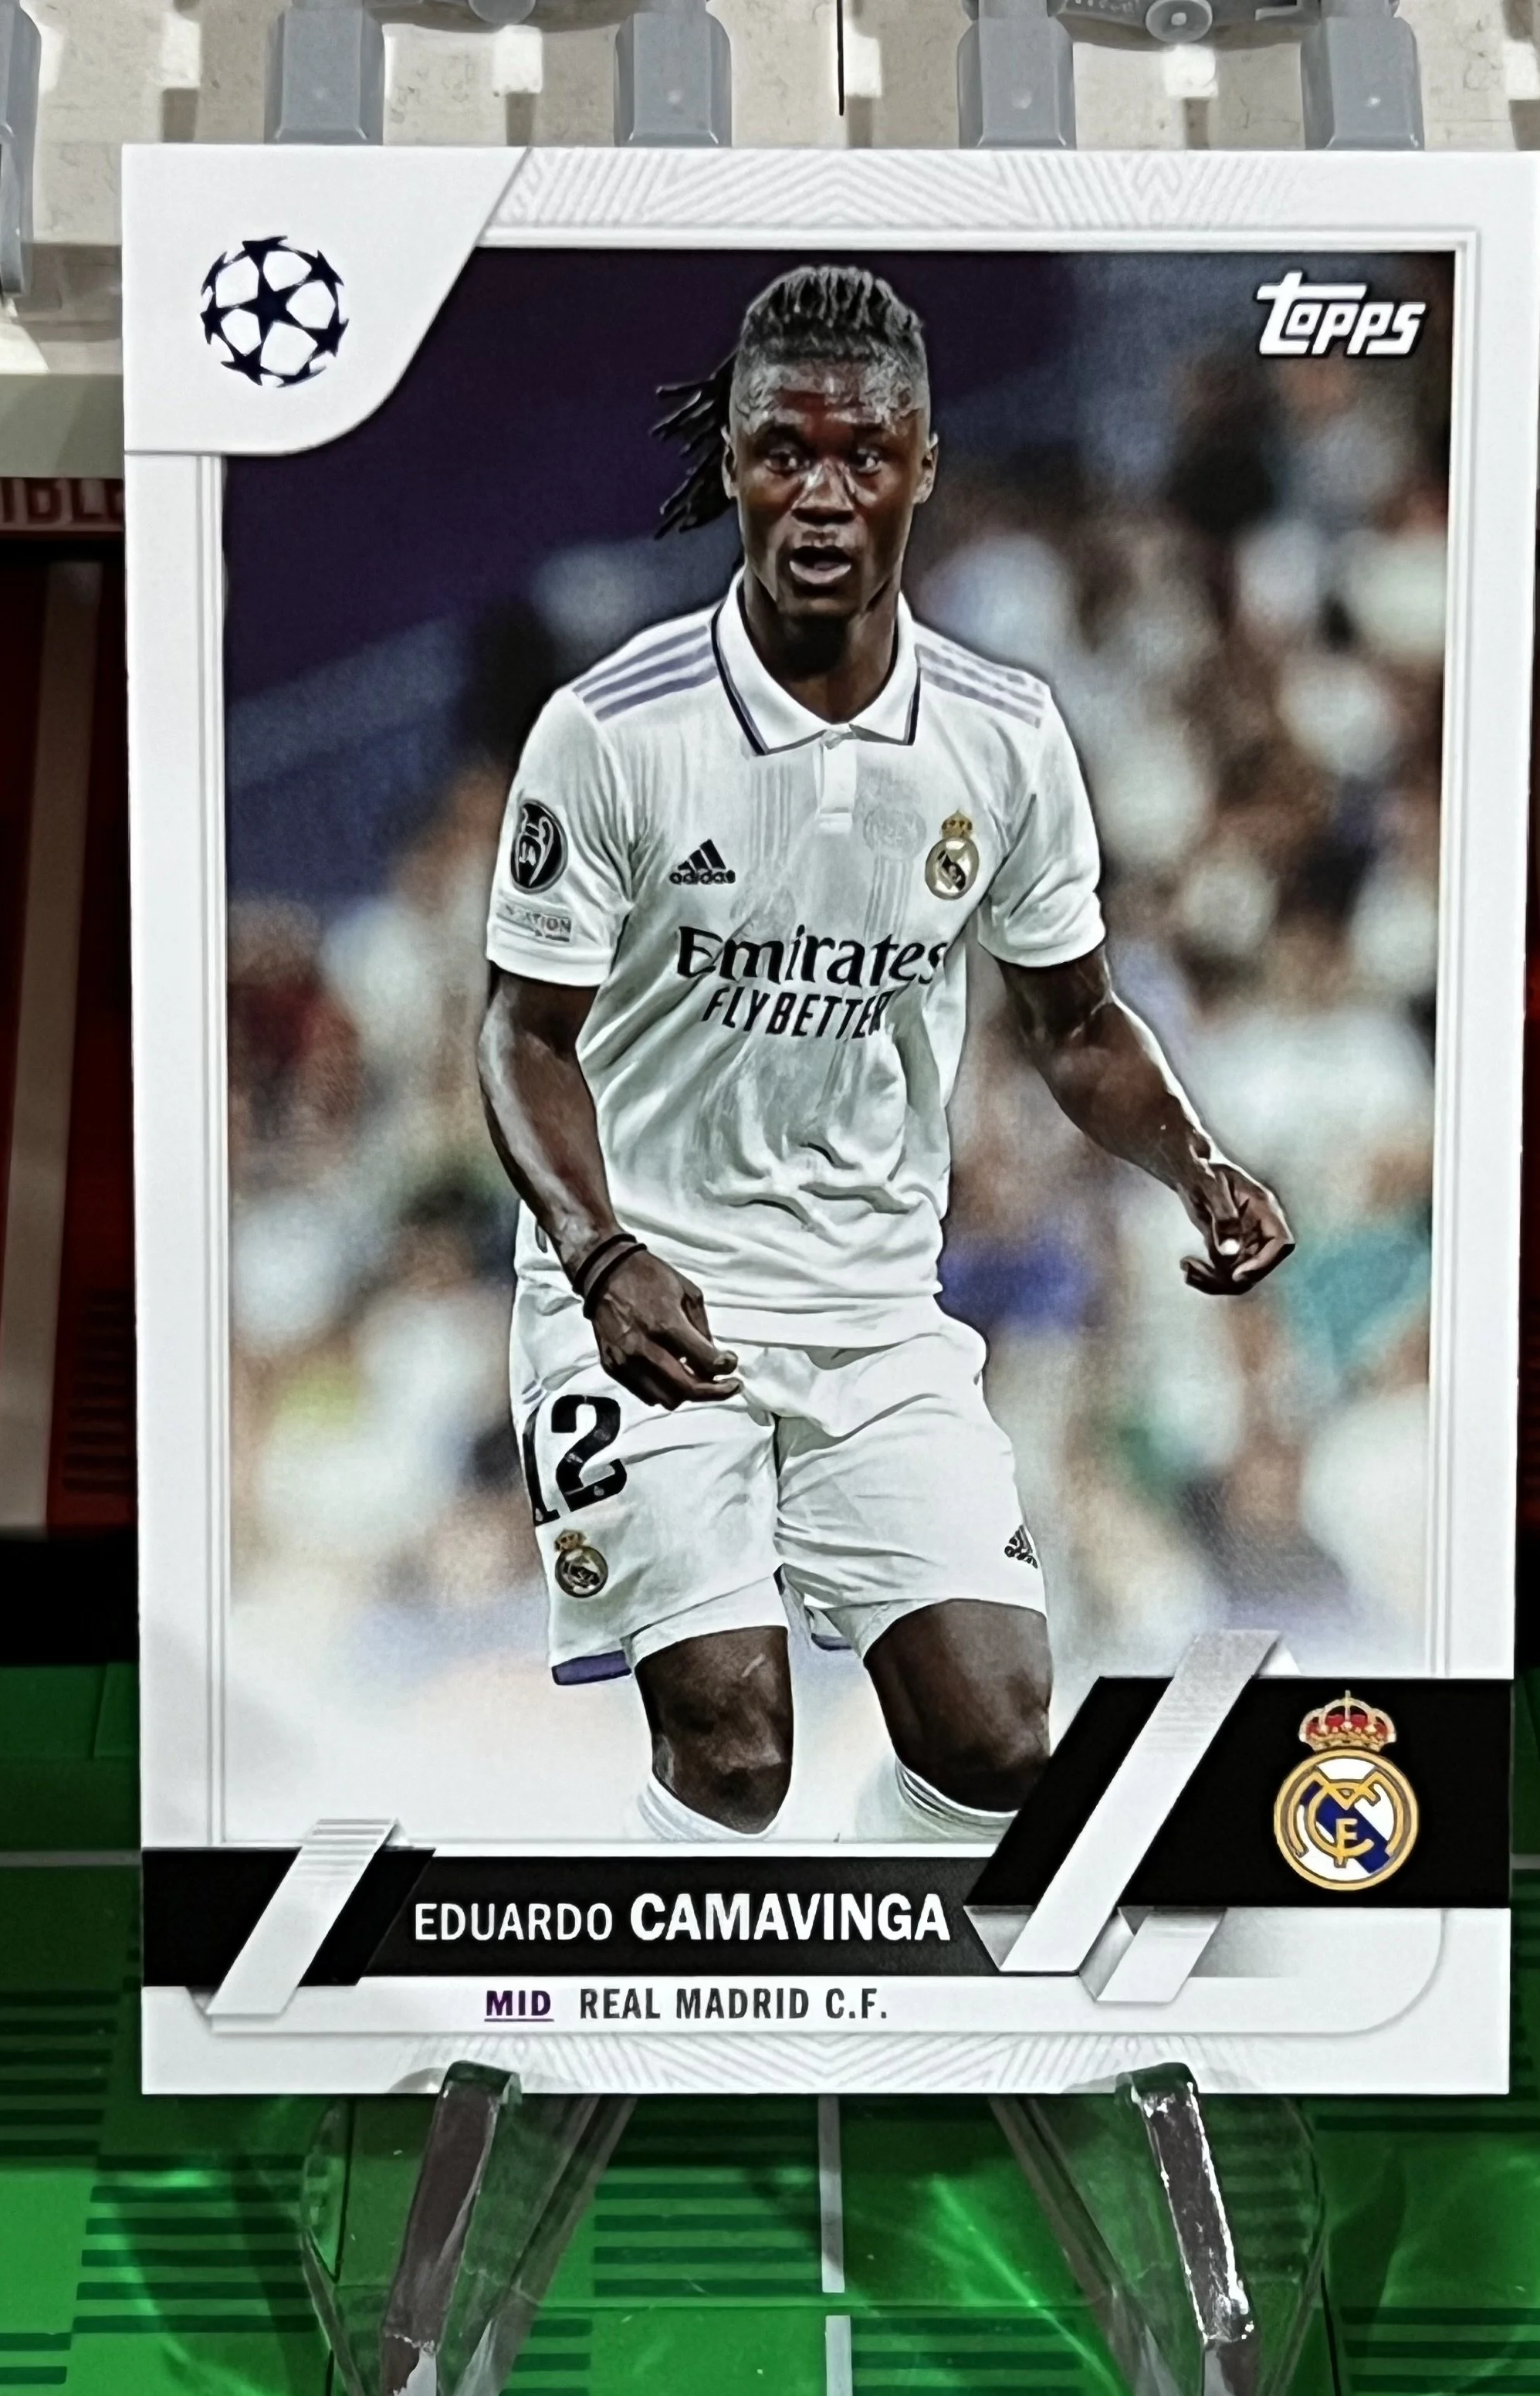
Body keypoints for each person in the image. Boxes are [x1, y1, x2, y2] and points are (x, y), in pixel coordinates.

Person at [477, 265, 1292, 1845]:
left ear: (924, 463)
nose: (824, 495)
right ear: (733, 462)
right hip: (642, 1301)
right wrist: (597, 1252)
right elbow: (522, 1030)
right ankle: (664, 1968)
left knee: (999, 1742)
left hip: (871, 1309)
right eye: (785, 451)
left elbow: (1077, 1022)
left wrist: (1195, 1162)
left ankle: (840, 1954)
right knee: (735, 1756)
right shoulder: (613, 730)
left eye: (865, 455)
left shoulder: (1004, 734)